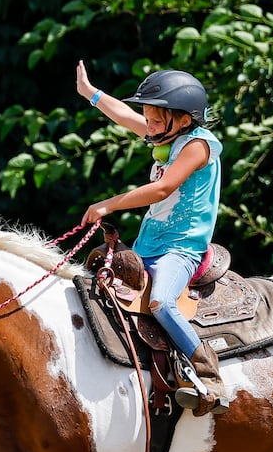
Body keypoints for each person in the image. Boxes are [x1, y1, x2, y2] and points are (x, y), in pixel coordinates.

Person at [76, 60, 227, 415]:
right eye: (149, 117)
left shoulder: (199, 146)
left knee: (161, 302)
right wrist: (90, 92)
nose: (149, 125)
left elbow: (162, 189)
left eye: (157, 119)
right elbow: (124, 116)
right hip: (149, 245)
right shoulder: (166, 135)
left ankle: (209, 376)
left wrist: (108, 205)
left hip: (182, 247)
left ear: (184, 119)